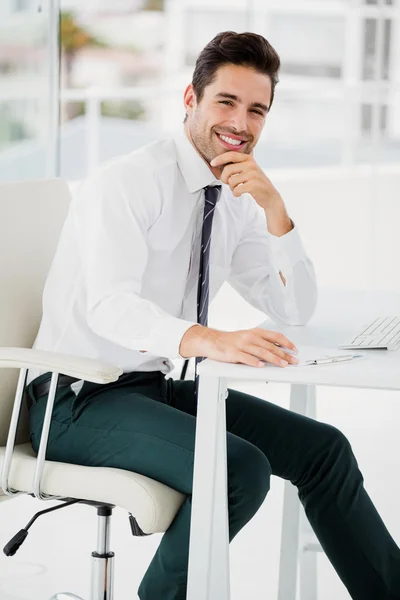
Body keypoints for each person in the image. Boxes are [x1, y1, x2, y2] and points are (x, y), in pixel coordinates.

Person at [25, 31, 400, 600]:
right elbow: (109, 307)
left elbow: (293, 308)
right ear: (190, 99)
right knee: (237, 470)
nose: (241, 123)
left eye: (257, 110)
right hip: (76, 401)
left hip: (153, 386)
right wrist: (209, 339)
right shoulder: (128, 182)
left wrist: (275, 212)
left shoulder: (237, 195)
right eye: (226, 101)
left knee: (324, 452)